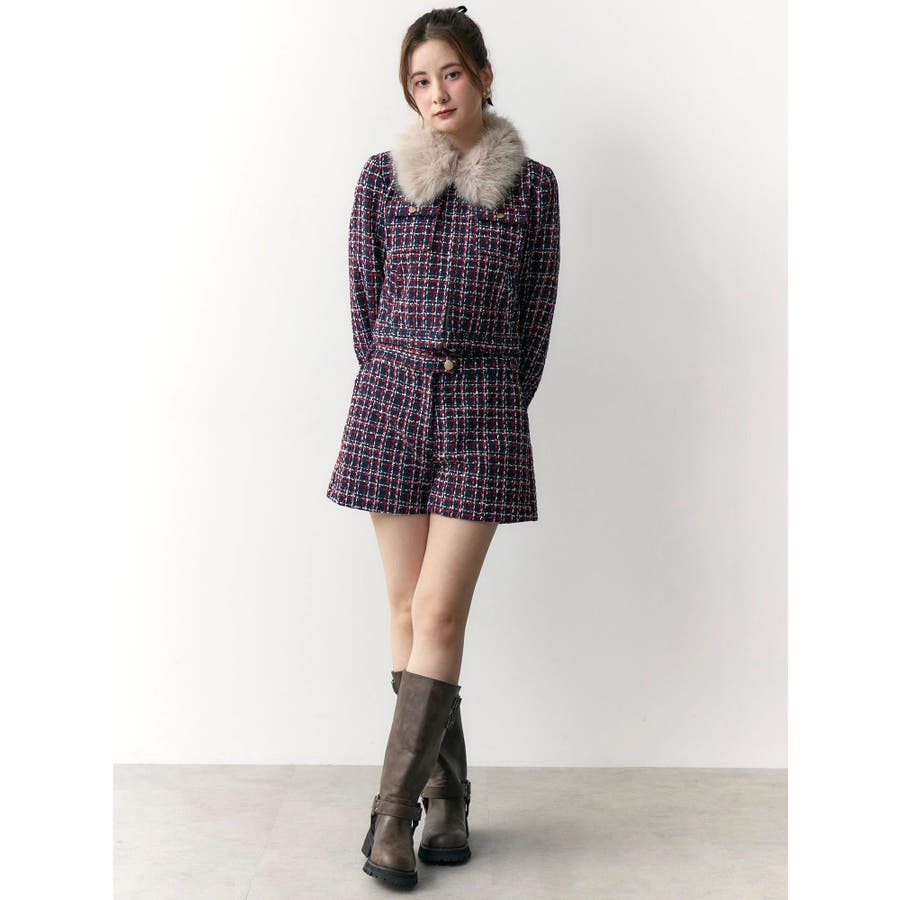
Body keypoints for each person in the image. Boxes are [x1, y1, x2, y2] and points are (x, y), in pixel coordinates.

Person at [325, 5, 561, 889]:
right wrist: (399, 375)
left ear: (484, 75)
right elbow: (364, 307)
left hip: (484, 408)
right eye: (420, 81)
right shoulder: (379, 180)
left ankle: (389, 818)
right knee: (405, 609)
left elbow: (536, 319)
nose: (437, 93)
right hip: (391, 398)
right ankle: (447, 797)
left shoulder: (533, 189)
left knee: (440, 612)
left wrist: (490, 397)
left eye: (451, 73)